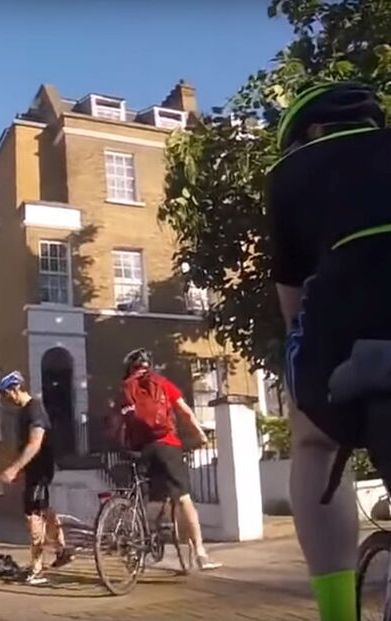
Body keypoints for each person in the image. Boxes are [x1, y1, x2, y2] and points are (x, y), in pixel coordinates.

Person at [267, 80, 391, 621]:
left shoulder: (291, 174)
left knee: (313, 441)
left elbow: (293, 308)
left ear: (302, 134)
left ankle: (338, 612)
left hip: (350, 338)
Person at [115, 349, 221, 571]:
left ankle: (144, 539)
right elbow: (185, 412)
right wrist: (200, 435)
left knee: (153, 499)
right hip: (167, 444)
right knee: (184, 499)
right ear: (148, 365)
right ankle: (201, 552)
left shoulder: (125, 388)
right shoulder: (161, 383)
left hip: (141, 449)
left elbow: (118, 422)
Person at [0, 370, 72, 585]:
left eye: (5, 394)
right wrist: (20, 469)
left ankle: (37, 569)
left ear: (15, 388)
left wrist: (14, 469)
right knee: (43, 511)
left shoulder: (35, 409)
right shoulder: (24, 411)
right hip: (35, 470)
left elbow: (35, 443)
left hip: (40, 468)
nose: (4, 399)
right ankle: (63, 551)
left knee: (33, 516)